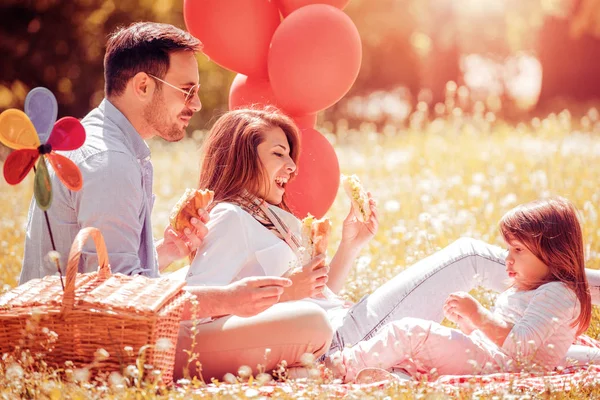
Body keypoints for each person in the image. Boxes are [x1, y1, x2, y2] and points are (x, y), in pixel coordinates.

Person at [177, 107, 600, 382]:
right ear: (243, 157)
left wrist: (350, 246)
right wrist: (288, 292)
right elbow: (194, 316)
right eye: (278, 154)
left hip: (343, 322)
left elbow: (322, 296)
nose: (291, 166)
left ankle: (576, 291)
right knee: (468, 254)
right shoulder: (229, 217)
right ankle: (580, 284)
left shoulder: (275, 217)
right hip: (338, 341)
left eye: (291, 155)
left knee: (540, 338)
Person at [325, 197, 592, 382]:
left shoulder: (558, 295)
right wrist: (470, 325)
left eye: (518, 250)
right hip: (490, 358)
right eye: (509, 249)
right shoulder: (530, 289)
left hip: (495, 364)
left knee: (407, 332)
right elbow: (508, 340)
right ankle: (385, 377)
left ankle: (335, 367)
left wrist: (479, 315)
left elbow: (523, 348)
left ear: (553, 253)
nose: (508, 259)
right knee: (408, 350)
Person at [20, 22, 208, 282]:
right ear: (143, 86)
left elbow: (105, 273)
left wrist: (165, 252)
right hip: (73, 322)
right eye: (188, 91)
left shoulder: (102, 143)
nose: (197, 104)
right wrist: (225, 299)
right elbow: (116, 297)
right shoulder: (109, 163)